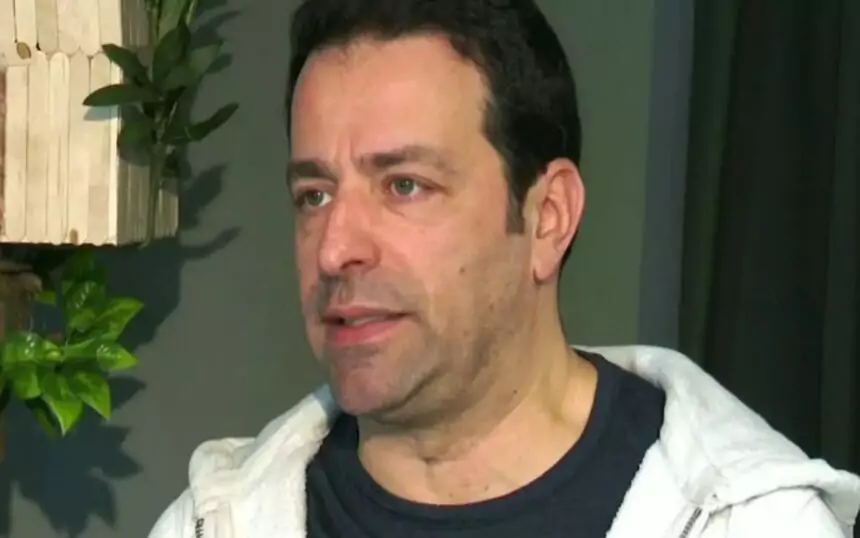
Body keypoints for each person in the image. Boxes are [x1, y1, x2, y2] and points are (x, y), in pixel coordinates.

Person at [148, 0, 860, 536]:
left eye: (404, 185)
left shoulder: (750, 524)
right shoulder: (216, 522)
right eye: (315, 194)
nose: (335, 249)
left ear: (548, 216)